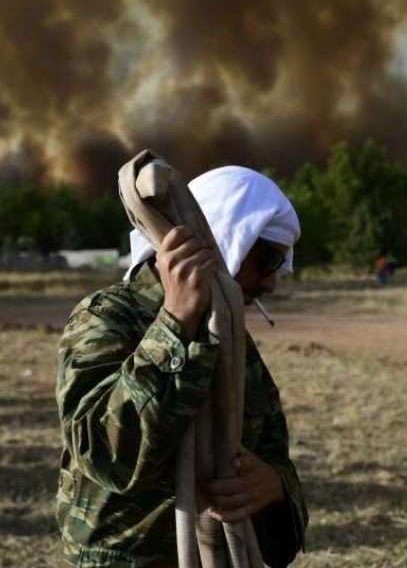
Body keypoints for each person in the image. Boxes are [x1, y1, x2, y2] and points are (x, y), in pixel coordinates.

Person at [55, 166, 308, 567]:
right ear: (222, 239)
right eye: (268, 258)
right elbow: (104, 454)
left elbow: (274, 452)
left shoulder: (236, 341)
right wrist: (175, 325)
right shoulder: (108, 318)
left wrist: (273, 486)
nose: (272, 282)